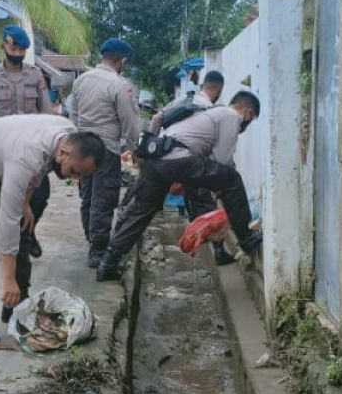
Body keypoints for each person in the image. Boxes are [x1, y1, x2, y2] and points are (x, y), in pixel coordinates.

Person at [0, 115, 105, 342]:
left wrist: (25, 201)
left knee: (25, 223)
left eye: (81, 176)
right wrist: (8, 279)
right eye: (75, 172)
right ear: (63, 153)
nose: (75, 179)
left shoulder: (67, 135)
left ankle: (16, 305)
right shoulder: (27, 155)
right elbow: (7, 221)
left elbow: (40, 169)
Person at [96, 91, 264, 281]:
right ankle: (247, 238)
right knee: (232, 180)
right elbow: (222, 161)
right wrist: (221, 193)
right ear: (248, 113)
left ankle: (108, 262)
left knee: (141, 212)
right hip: (178, 160)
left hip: (156, 161)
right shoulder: (231, 116)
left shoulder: (210, 113)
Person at [0, 24, 52, 258]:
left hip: (31, 148)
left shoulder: (35, 75)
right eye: (13, 47)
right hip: (0, 150)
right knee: (1, 198)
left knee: (39, 195)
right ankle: (17, 242)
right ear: (4, 46)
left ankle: (29, 231)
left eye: (22, 50)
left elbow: (46, 113)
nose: (17, 53)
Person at [149, 70, 236, 263]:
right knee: (206, 205)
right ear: (219, 88)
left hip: (168, 158)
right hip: (194, 163)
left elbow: (156, 120)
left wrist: (153, 149)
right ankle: (218, 252)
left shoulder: (183, 100)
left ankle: (192, 246)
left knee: (189, 202)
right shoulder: (208, 109)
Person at [68, 37, 141, 267]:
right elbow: (129, 121)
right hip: (107, 149)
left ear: (103, 56)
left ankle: (92, 240)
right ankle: (98, 251)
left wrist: (76, 143)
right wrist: (134, 150)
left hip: (82, 147)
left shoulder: (81, 81)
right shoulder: (119, 84)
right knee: (104, 198)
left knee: (88, 196)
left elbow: (74, 115)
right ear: (122, 60)